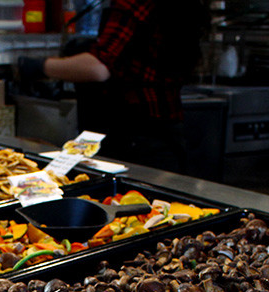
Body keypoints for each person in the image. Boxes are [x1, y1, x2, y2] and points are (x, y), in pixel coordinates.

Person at [18, 0, 209, 172]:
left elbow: (99, 67)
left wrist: (38, 67)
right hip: (168, 134)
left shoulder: (135, 3)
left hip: (138, 139)